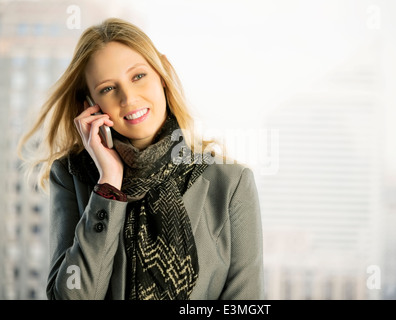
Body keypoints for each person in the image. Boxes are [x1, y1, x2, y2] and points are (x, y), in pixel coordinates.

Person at [18, 17, 264, 300]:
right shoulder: (71, 176)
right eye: (108, 88)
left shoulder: (231, 183)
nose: (129, 97)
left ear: (162, 74)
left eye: (138, 76)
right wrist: (109, 184)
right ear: (90, 106)